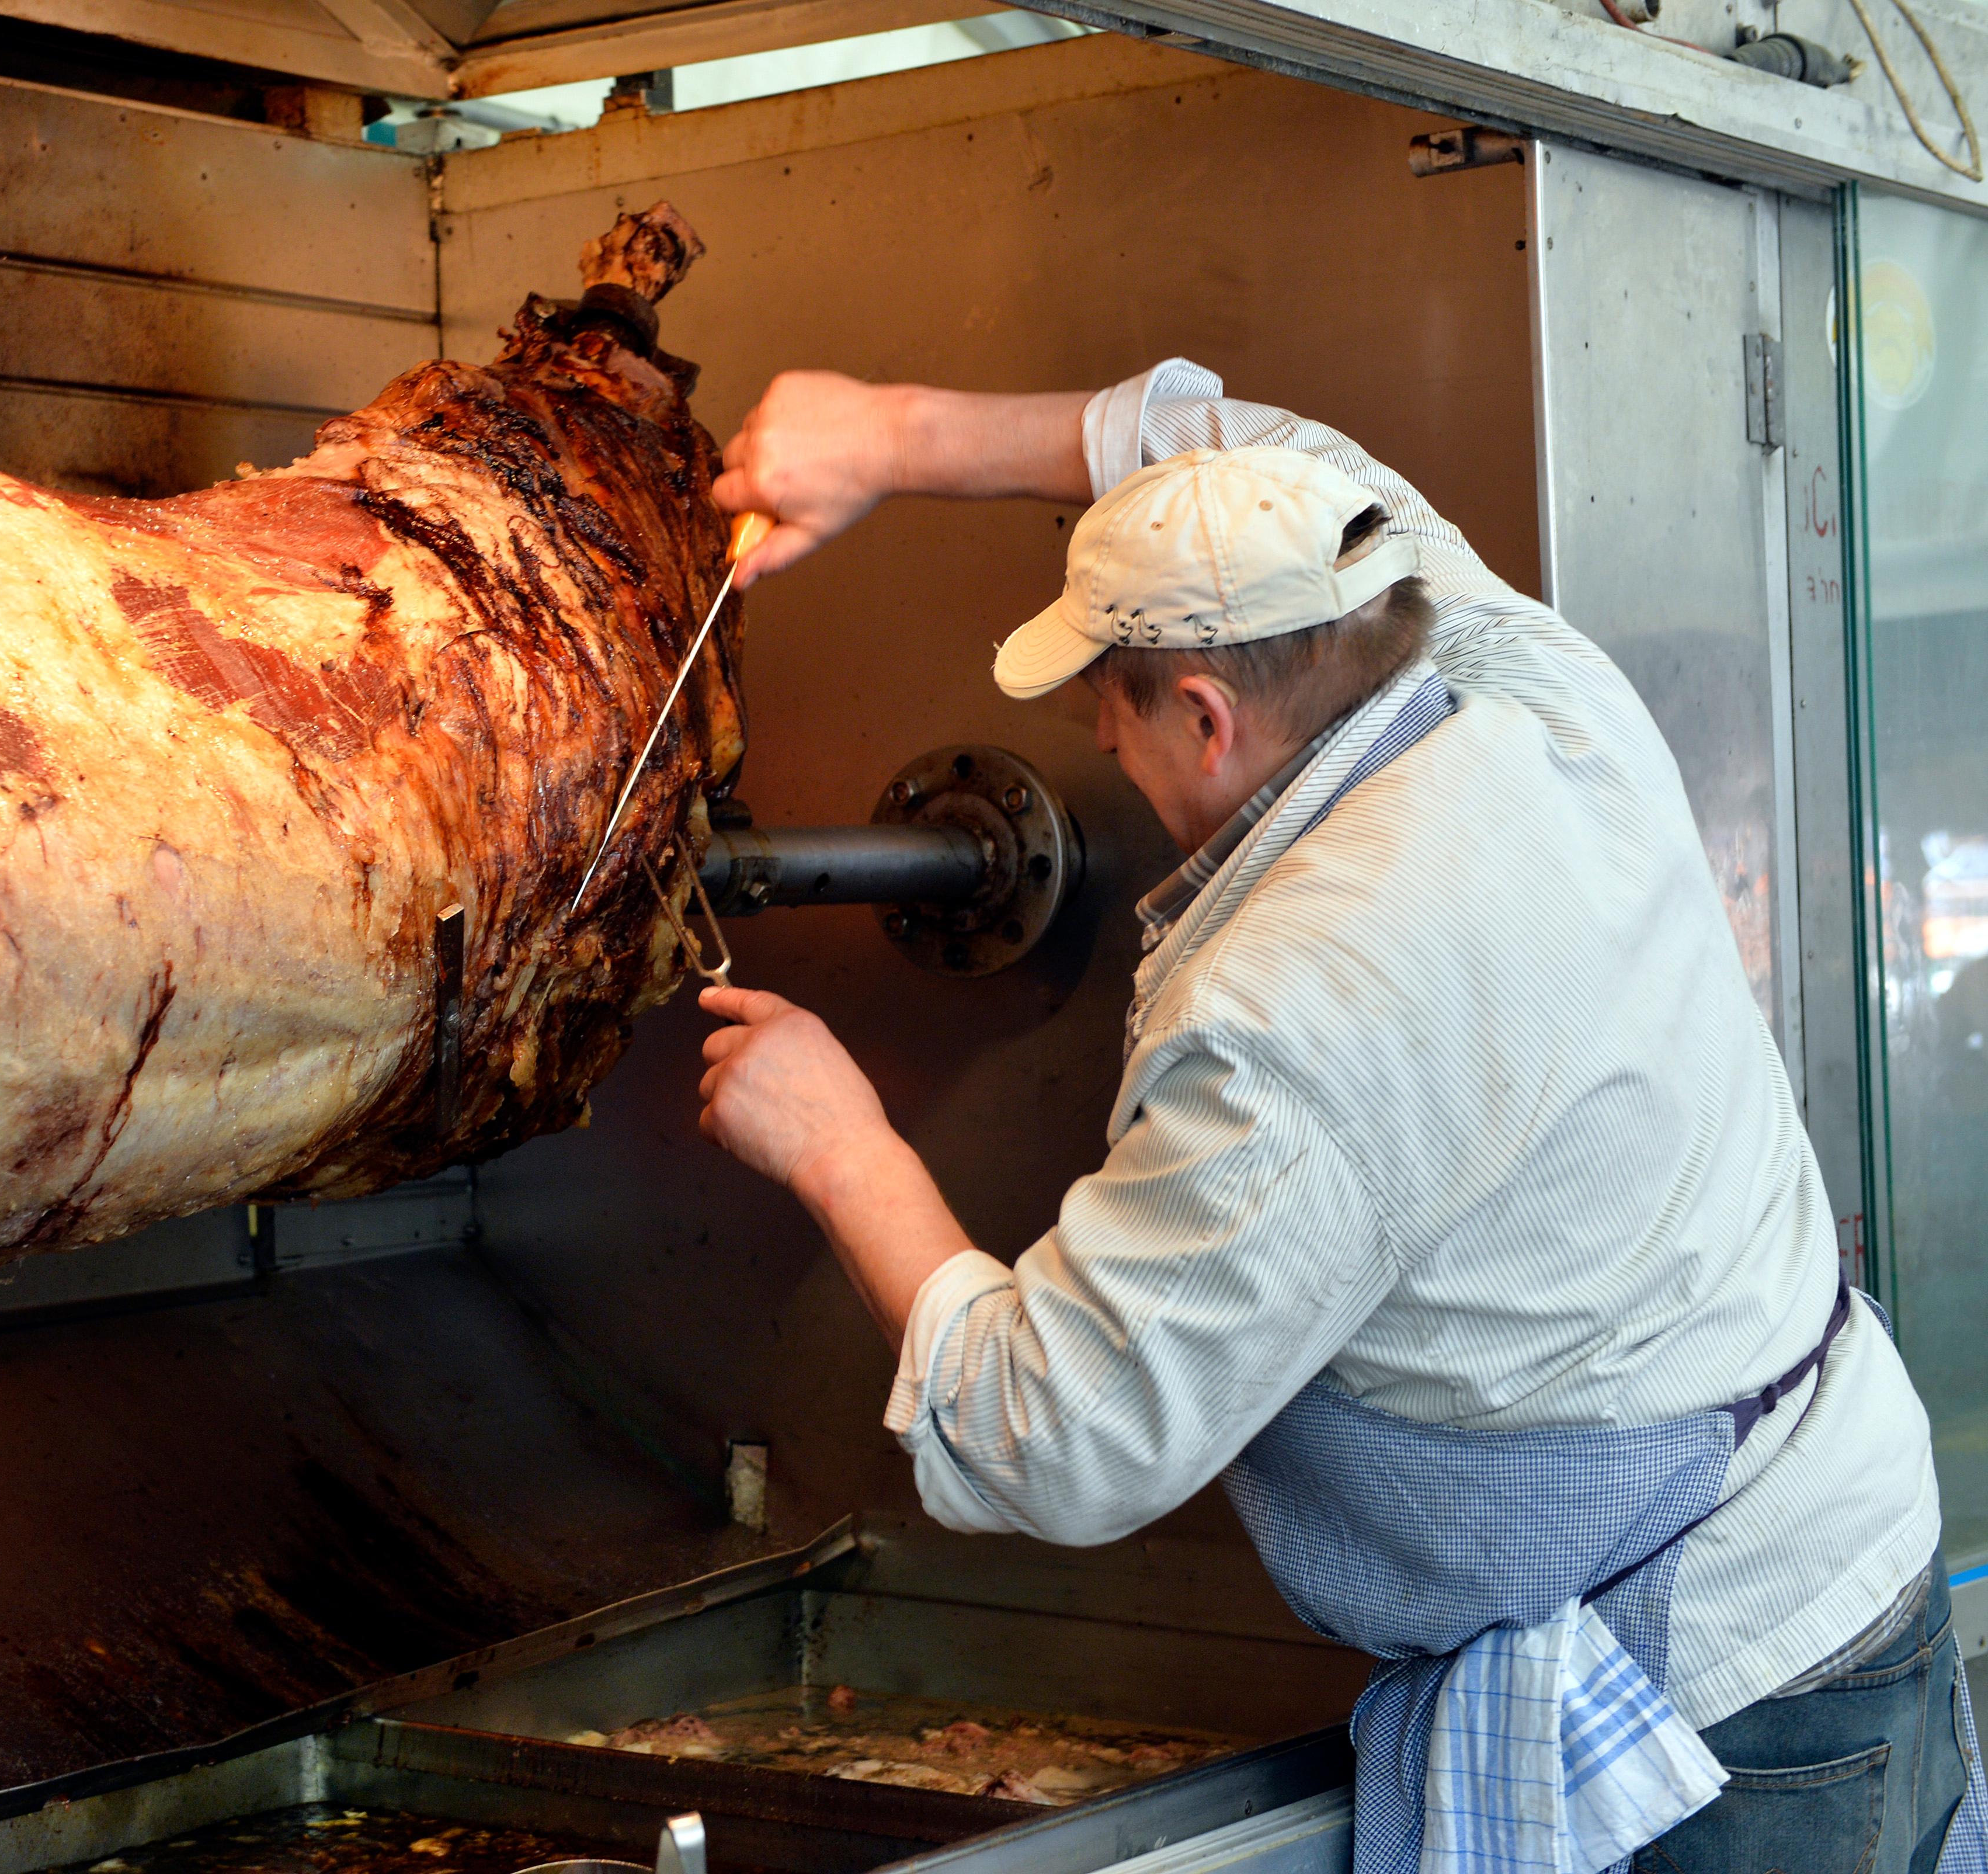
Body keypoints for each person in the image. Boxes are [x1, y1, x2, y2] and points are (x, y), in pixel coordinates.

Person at [690, 360, 1984, 1873]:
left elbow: (1060, 1432)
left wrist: (843, 1146)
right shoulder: (1505, 667)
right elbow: (1279, 453)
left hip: (1721, 1700)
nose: (1094, 742)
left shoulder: (1300, 1011)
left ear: (1203, 712)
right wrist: (896, 439)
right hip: (1860, 1548)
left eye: (1104, 701)